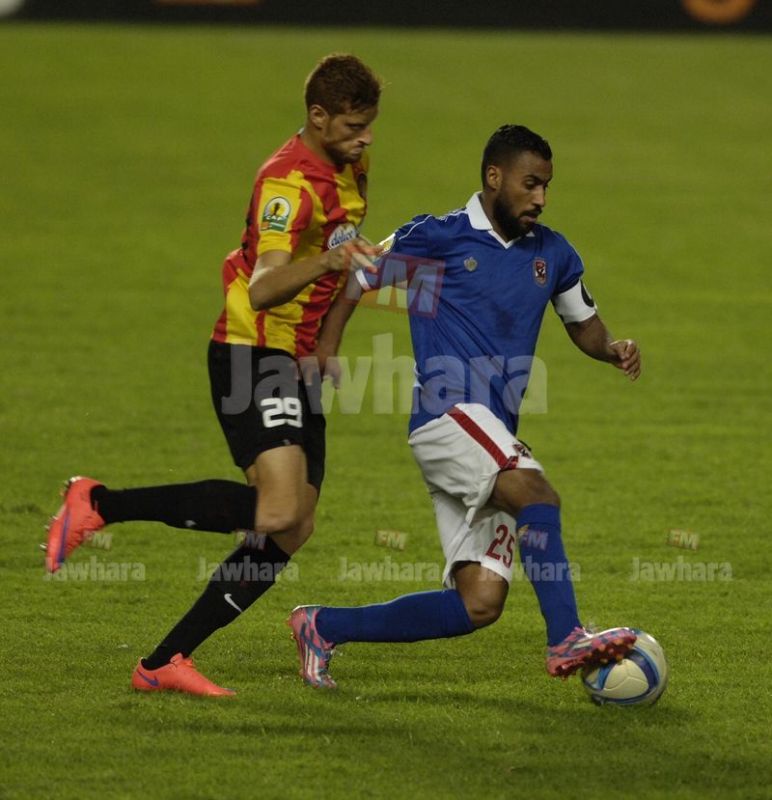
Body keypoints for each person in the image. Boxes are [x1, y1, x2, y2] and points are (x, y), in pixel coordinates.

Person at [44, 53, 383, 696]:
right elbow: (263, 288)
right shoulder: (287, 185)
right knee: (278, 509)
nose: (365, 138)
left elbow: (350, 257)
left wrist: (328, 342)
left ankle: (163, 662)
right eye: (353, 126)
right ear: (318, 117)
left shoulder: (351, 165)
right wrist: (326, 264)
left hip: (296, 357)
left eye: (369, 125)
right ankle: (99, 503)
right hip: (252, 350)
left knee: (294, 525)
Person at [287, 124, 641, 689]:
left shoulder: (552, 253)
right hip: (447, 417)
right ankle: (567, 638)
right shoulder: (439, 238)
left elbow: (582, 322)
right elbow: (360, 274)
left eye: (546, 186)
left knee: (479, 602)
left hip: (489, 431)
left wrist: (611, 347)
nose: (541, 199)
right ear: (494, 177)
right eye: (530, 184)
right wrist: (326, 347)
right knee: (537, 495)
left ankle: (321, 626)